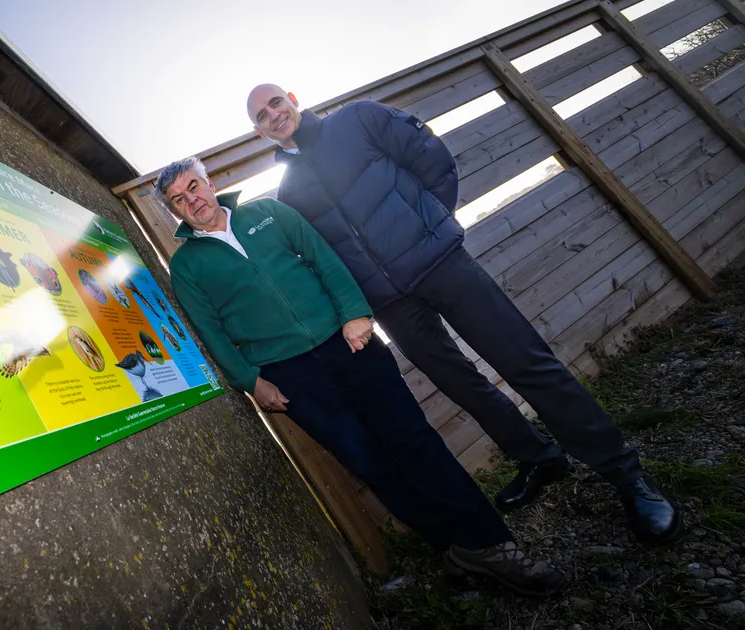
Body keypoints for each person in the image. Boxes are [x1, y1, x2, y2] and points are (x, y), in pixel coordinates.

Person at [244, 83, 682, 544]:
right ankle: (537, 457)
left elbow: (431, 157)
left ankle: (626, 476)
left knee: (524, 362)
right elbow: (322, 258)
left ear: (292, 98)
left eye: (276, 103)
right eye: (261, 116)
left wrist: (431, 225)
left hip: (443, 267)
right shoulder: (288, 195)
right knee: (463, 385)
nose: (273, 115)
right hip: (392, 304)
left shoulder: (359, 120)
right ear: (259, 133)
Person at [156, 156, 566, 595]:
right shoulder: (186, 267)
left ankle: (490, 543)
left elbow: (324, 258)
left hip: (349, 344)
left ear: (209, 182)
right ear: (175, 211)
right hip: (291, 377)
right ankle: (452, 549)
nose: (192, 201)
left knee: (416, 442)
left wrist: (355, 312)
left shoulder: (268, 213)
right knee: (372, 465)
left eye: (193, 187)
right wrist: (250, 381)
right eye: (179, 200)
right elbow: (211, 332)